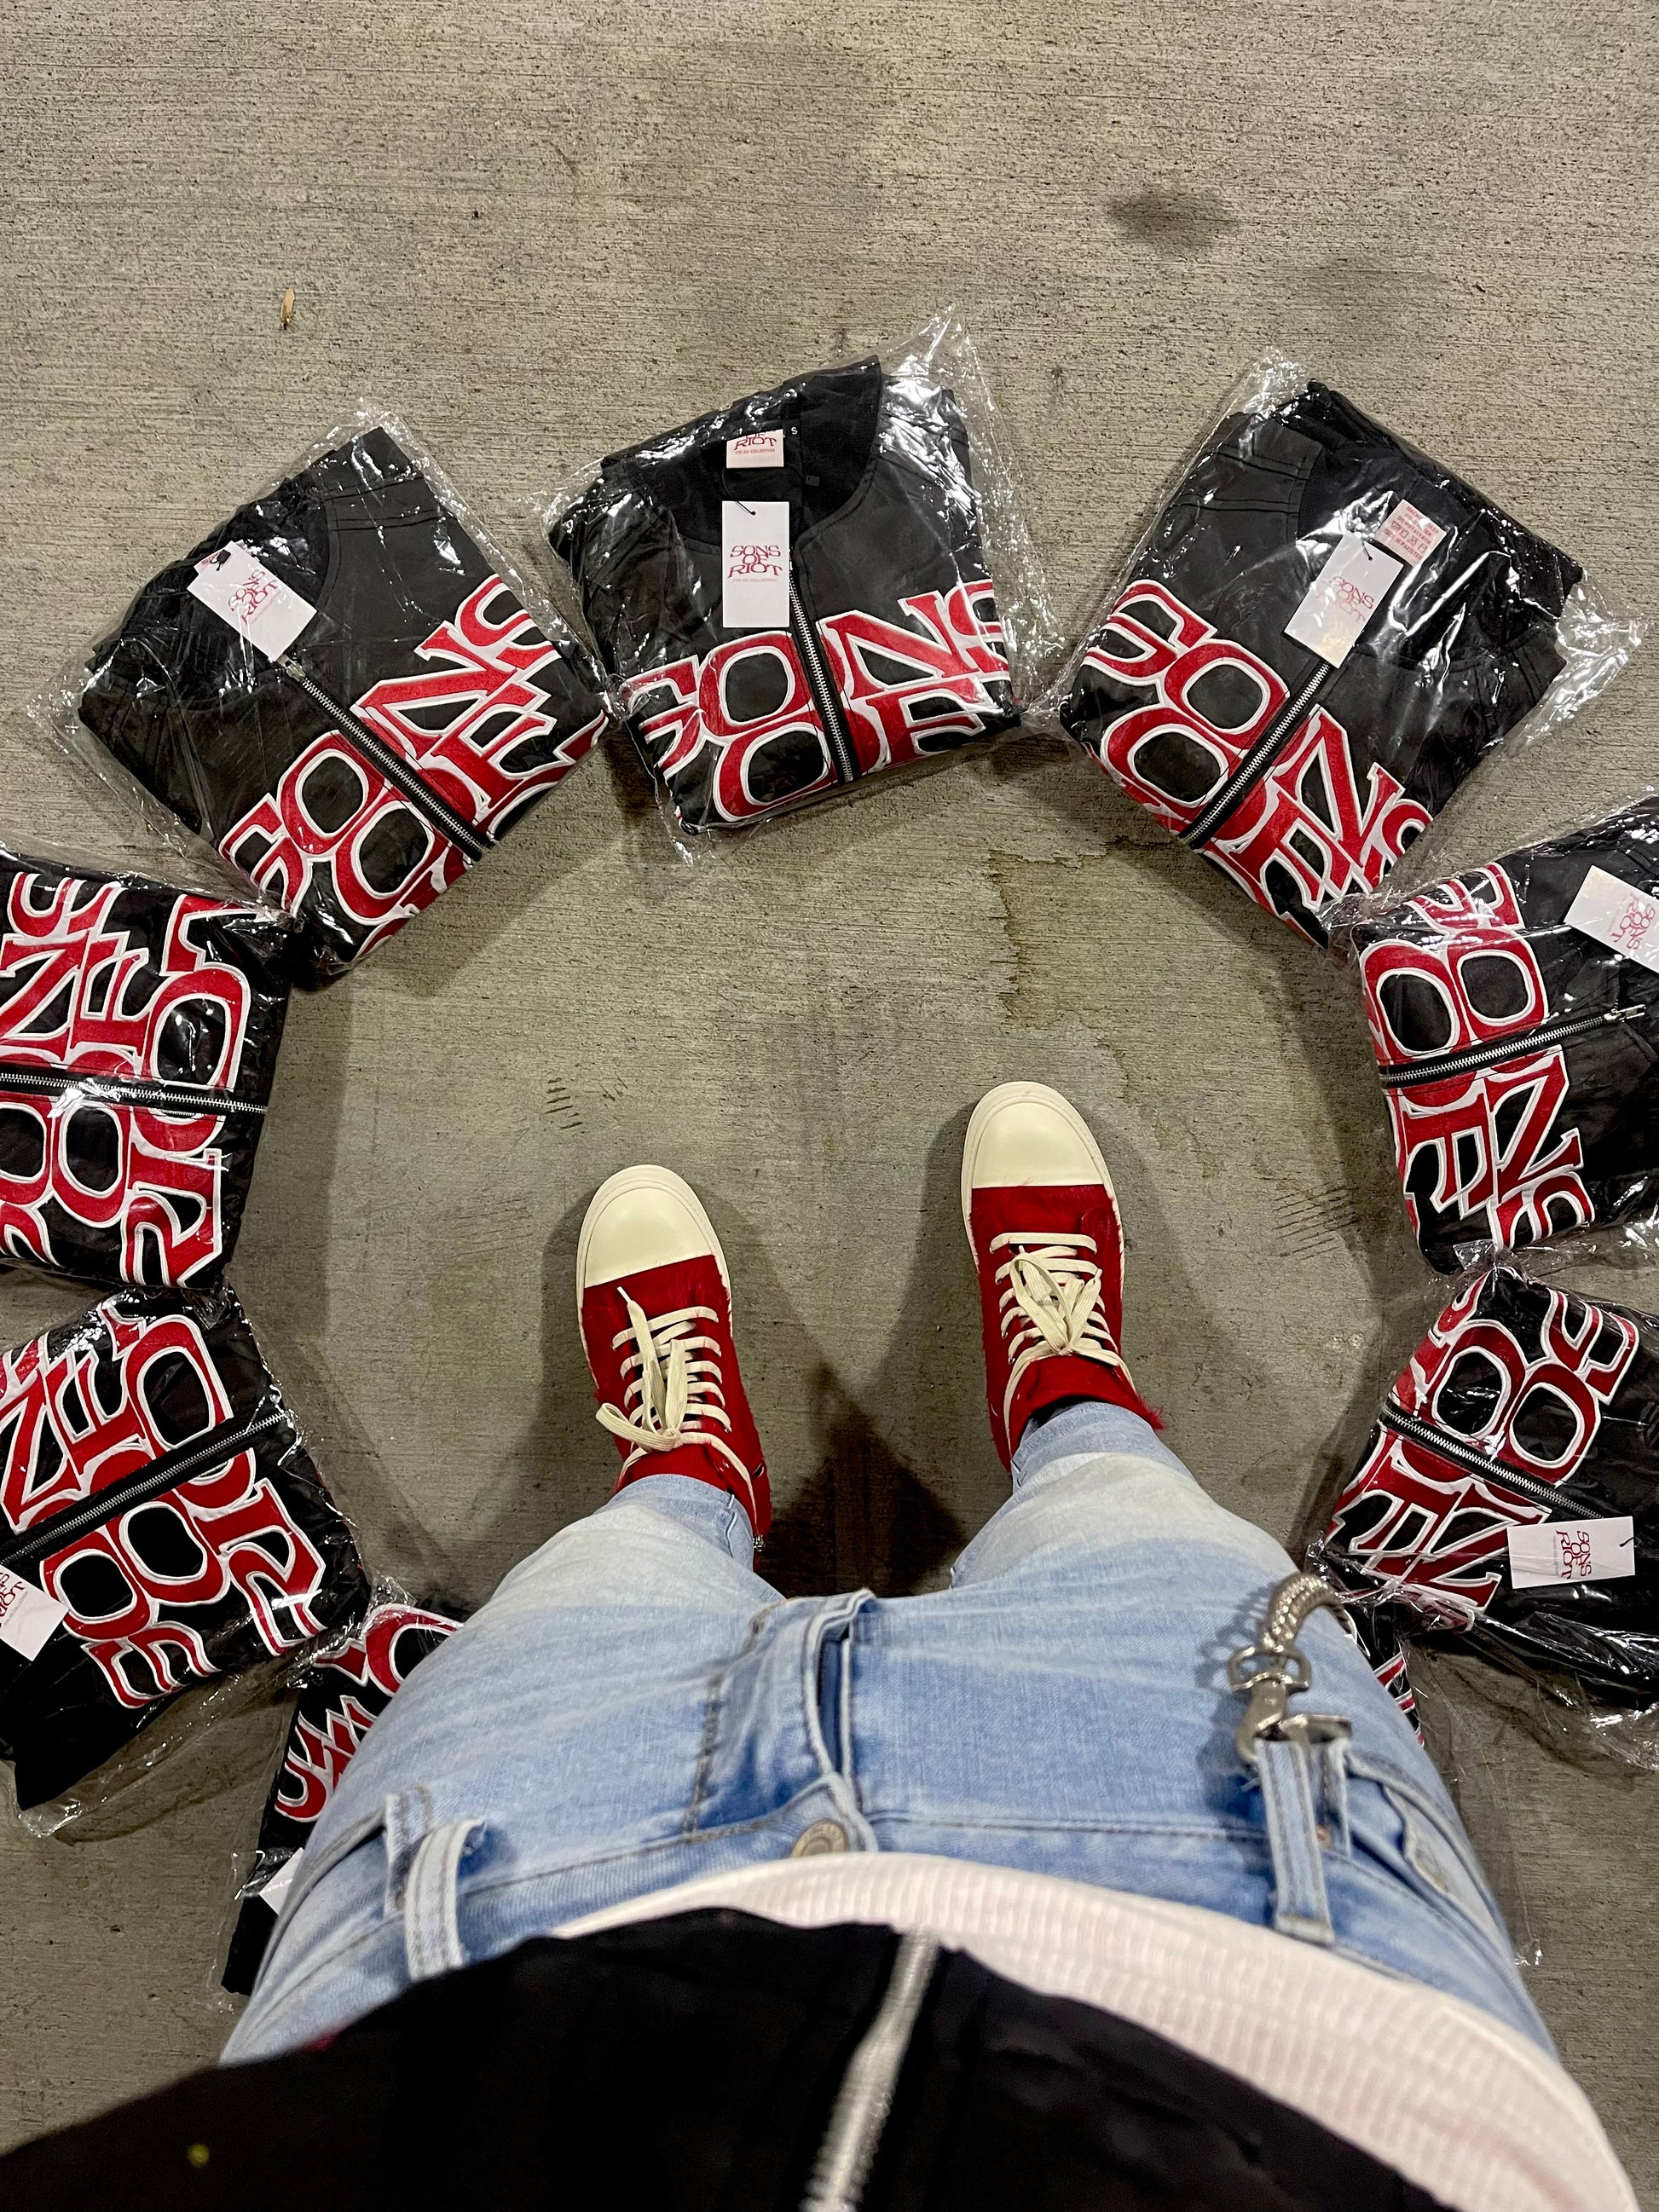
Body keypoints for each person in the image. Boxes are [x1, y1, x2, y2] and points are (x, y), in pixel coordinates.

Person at [4, 1084, 1635, 2212]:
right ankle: (1069, 1398)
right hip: (1281, 1985)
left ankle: (681, 1477)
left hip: (476, 1992)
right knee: (1137, 1533)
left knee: (596, 1593)